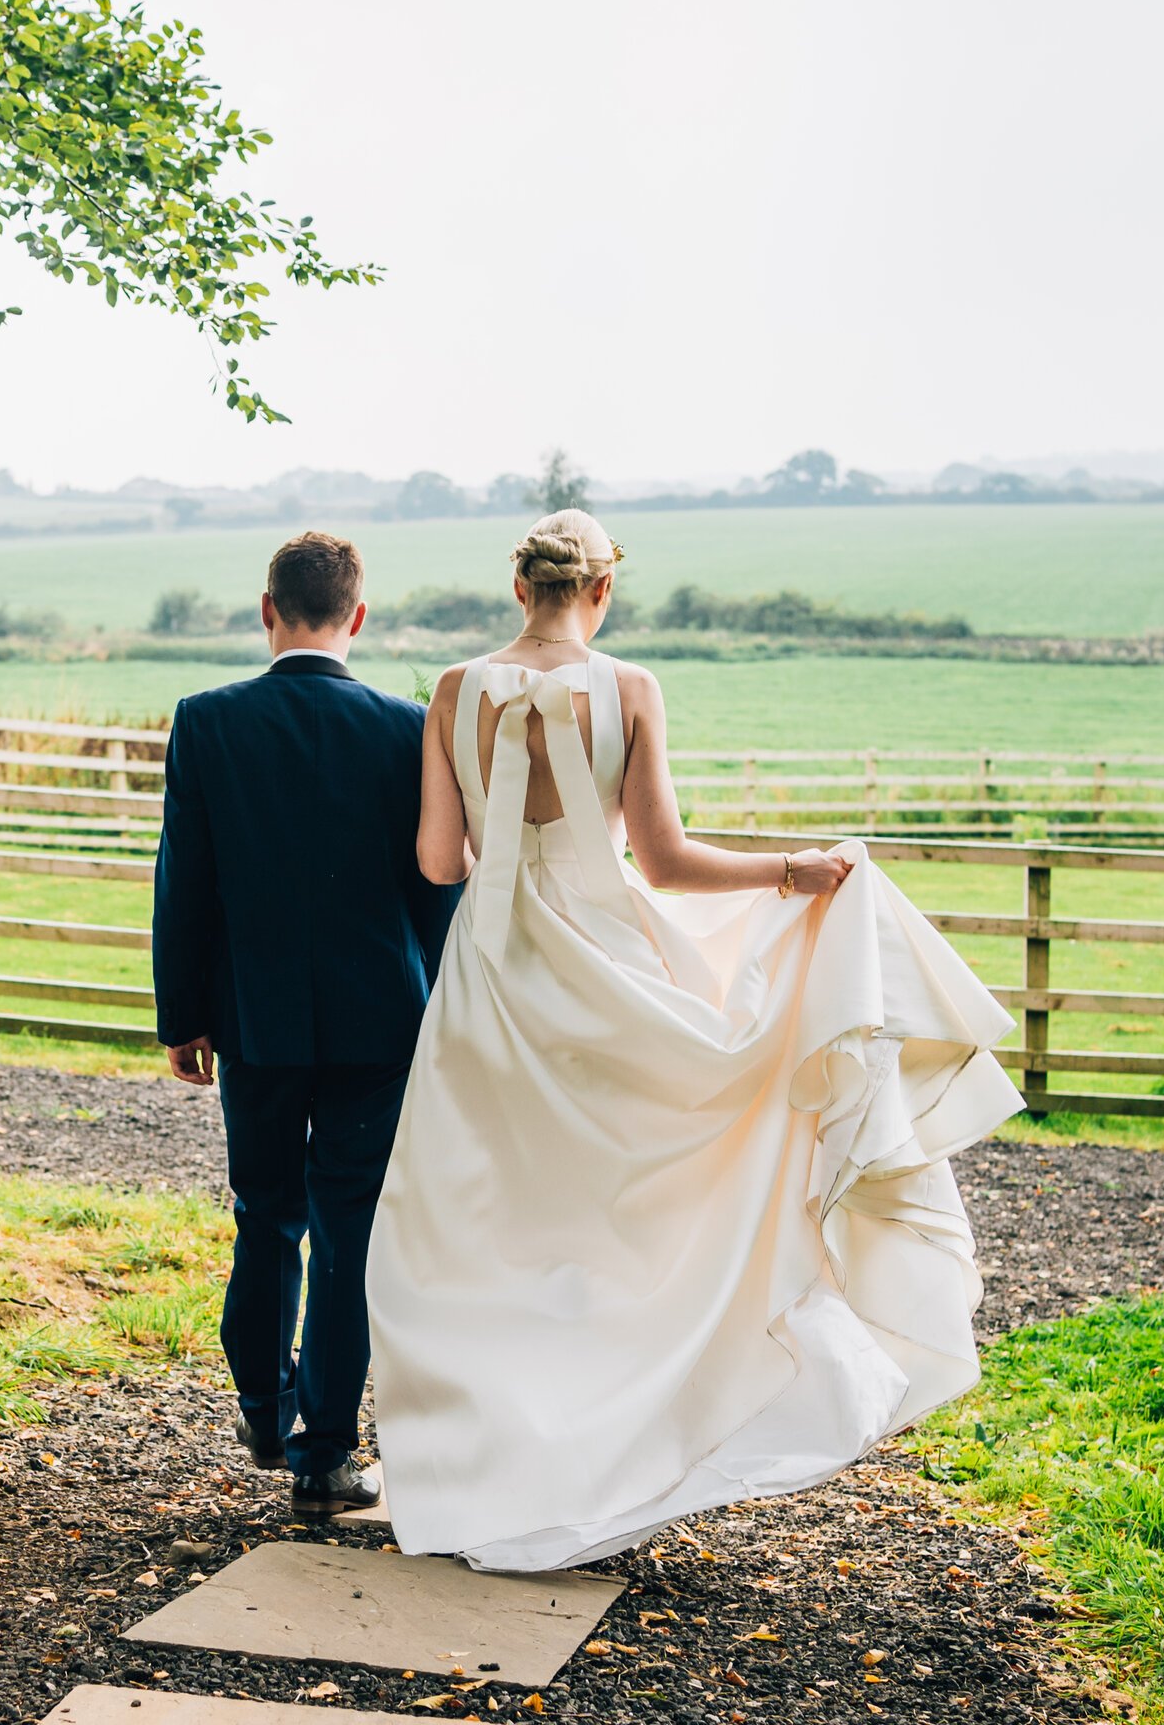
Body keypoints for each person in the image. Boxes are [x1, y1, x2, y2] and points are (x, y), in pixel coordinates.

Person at [365, 510, 1021, 1571]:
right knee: (624, 1218)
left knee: (478, 1226)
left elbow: (440, 863)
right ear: (603, 590)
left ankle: (478, 1472)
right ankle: (614, 1447)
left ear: (517, 588)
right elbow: (663, 864)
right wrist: (787, 873)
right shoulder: (628, 689)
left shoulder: (451, 690)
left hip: (491, 982)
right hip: (605, 968)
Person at [153, 530, 461, 1516]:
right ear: (357, 617)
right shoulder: (406, 726)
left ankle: (261, 1407)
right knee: (347, 1235)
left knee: (264, 1215)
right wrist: (434, 997)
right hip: (381, 1021)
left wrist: (183, 1016)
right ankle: (326, 1459)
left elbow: (184, 885)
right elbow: (434, 887)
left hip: (255, 1021)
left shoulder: (206, 723)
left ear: (266, 609)